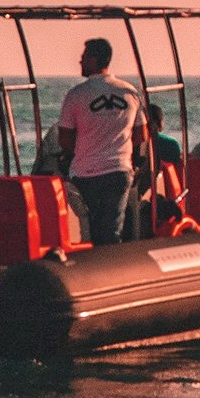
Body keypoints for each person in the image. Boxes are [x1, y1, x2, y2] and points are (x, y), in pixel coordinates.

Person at [58, 38, 147, 245]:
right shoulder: (130, 92)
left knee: (92, 230)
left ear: (94, 59)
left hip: (86, 173)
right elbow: (141, 133)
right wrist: (120, 146)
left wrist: (86, 147)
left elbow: (65, 139)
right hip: (119, 170)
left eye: (83, 57)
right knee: (112, 231)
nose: (80, 62)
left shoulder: (76, 95)